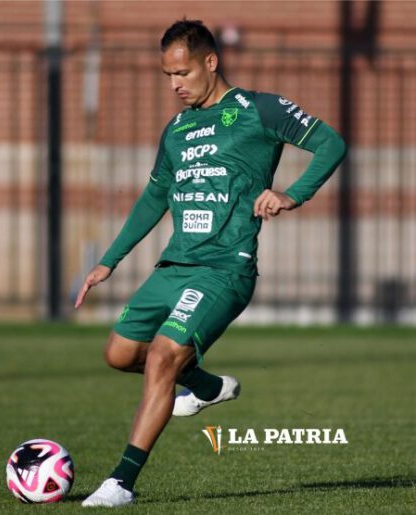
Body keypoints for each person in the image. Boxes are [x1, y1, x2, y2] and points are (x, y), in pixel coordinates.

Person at [74, 19, 346, 507]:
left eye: (182, 73)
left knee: (162, 357)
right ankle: (204, 385)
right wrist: (108, 262)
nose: (175, 85)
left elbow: (331, 143)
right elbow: (154, 197)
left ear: (210, 62)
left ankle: (121, 483)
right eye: (168, 76)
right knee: (119, 354)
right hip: (174, 265)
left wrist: (292, 194)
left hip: (225, 269)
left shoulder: (258, 108)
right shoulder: (177, 129)